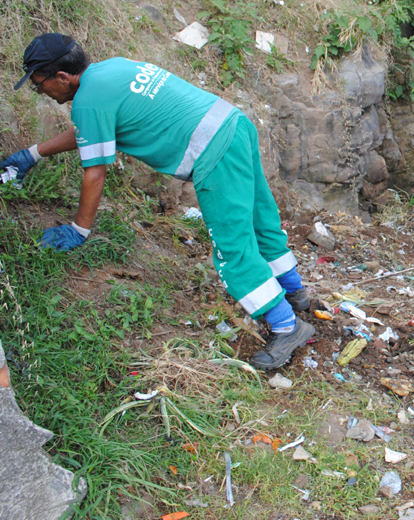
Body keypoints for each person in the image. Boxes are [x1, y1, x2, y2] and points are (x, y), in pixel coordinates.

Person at [1, 34, 315, 370]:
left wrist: (79, 230)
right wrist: (33, 154)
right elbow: (90, 132)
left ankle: (287, 326)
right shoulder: (111, 70)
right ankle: (295, 294)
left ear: (62, 77)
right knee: (260, 220)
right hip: (233, 124)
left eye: (40, 85)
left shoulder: (89, 99)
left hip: (214, 154)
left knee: (232, 247)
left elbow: (95, 174)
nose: (43, 93)